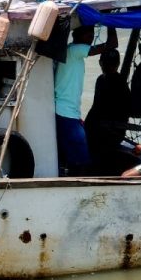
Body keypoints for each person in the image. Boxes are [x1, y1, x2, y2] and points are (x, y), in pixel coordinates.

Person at [54, 25, 117, 176]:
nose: (91, 40)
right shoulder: (76, 50)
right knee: (81, 158)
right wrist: (111, 23)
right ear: (79, 36)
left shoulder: (70, 50)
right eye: (89, 36)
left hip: (65, 111)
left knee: (68, 154)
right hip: (66, 112)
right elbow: (112, 44)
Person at [85, 49, 133, 175]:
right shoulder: (105, 80)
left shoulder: (112, 81)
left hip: (109, 132)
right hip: (104, 130)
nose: (107, 66)